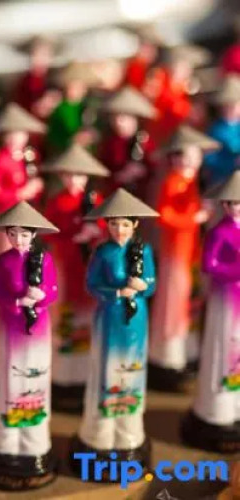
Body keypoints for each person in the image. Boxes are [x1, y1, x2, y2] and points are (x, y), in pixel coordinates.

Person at [71, 189, 158, 477]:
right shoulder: (103, 252)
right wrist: (117, 292)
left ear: (135, 224)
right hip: (110, 316)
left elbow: (152, 283)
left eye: (125, 224)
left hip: (136, 320)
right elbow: (92, 285)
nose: (119, 229)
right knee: (107, 369)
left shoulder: (144, 251)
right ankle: (101, 432)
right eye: (113, 224)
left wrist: (144, 286)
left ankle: (129, 431)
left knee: (132, 369)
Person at [0, 202, 59, 490]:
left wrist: (41, 295)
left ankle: (34, 440)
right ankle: (6, 440)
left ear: (34, 234)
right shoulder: (2, 262)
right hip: (10, 328)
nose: (18, 239)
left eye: (24, 234)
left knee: (36, 378)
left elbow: (53, 290)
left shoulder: (44, 260)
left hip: (38, 329)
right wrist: (17, 301)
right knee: (10, 377)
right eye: (13, 234)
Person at [148, 126, 219, 392]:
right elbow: (165, 216)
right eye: (184, 155)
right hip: (175, 253)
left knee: (188, 303)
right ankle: (168, 358)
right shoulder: (173, 181)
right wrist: (194, 217)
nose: (189, 161)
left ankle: (185, 354)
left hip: (190, 252)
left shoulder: (191, 182)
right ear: (174, 158)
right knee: (173, 304)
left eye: (195, 156)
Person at [42, 145, 109, 412]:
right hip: (64, 264)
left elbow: (105, 228)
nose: (73, 180)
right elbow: (49, 232)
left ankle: (84, 375)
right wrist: (72, 235)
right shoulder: (57, 201)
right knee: (63, 315)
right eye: (68, 175)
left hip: (87, 267)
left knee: (86, 317)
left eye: (79, 175)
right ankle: (62, 375)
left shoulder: (96, 201)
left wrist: (94, 232)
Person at [182, 171, 240, 452]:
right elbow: (209, 265)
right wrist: (234, 271)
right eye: (233, 203)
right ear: (225, 205)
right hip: (225, 298)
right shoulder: (219, 231)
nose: (237, 208)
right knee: (223, 346)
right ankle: (217, 407)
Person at [0, 103, 46, 259]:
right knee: (6, 251)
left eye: (20, 134)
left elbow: (34, 184)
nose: (15, 138)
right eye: (11, 134)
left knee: (26, 251)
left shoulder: (30, 157)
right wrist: (18, 194)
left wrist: (36, 187)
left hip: (27, 213)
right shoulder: (1, 160)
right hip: (7, 215)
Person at [97, 86, 157, 198]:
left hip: (140, 196)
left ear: (134, 119)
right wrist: (120, 176)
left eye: (123, 116)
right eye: (115, 117)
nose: (118, 122)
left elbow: (155, 170)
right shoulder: (110, 144)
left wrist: (141, 171)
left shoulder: (145, 141)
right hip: (115, 196)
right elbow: (102, 173)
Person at [46, 63, 98, 154]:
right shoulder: (59, 108)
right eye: (75, 87)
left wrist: (90, 136)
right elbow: (53, 136)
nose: (80, 91)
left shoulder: (87, 107)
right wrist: (72, 139)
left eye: (82, 87)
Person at [204, 76, 240, 187]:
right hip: (222, 178)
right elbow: (210, 157)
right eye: (226, 105)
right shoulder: (215, 130)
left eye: (233, 105)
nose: (229, 109)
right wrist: (232, 162)